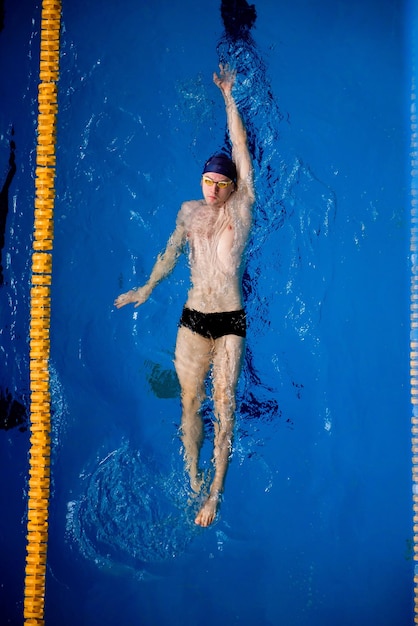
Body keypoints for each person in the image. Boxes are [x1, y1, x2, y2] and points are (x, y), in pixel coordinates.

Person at [114, 65, 254, 527]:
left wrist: (229, 98)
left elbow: (239, 148)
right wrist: (148, 288)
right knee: (189, 404)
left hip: (230, 320)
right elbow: (171, 252)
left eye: (221, 182)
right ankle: (193, 477)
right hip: (194, 318)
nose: (213, 189)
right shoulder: (189, 212)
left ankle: (215, 493)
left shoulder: (242, 207)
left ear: (233, 186)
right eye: (207, 181)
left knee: (226, 405)